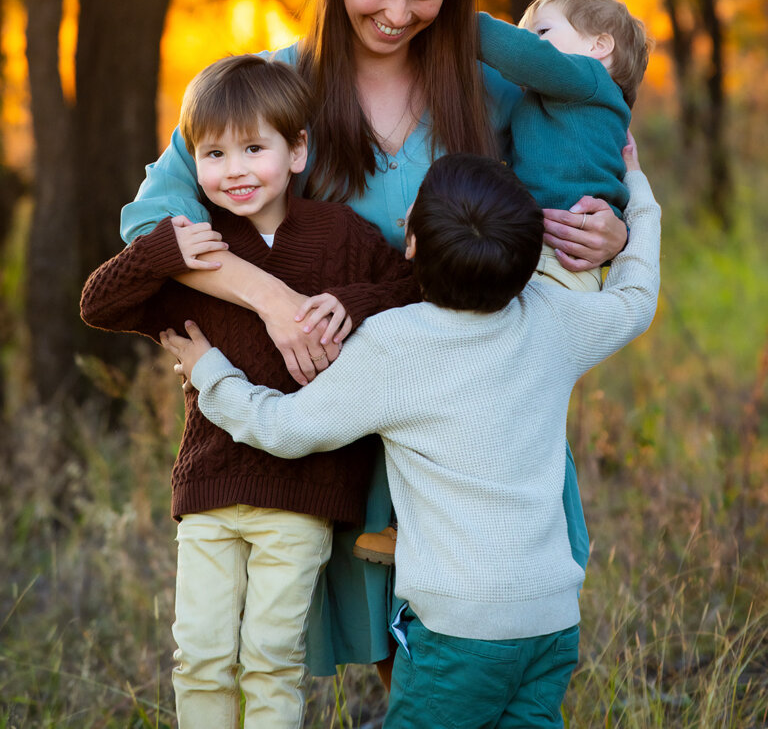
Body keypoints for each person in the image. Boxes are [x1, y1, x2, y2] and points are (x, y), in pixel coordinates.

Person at [119, 0, 629, 679]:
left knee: (491, 652)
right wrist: (272, 298)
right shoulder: (269, 93)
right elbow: (150, 224)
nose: (398, 14)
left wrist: (611, 227)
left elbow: (587, 169)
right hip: (340, 415)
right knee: (390, 659)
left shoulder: (497, 89)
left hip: (479, 427)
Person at [159, 137, 661, 729]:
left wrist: (211, 373)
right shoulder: (554, 319)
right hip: (551, 623)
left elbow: (284, 428)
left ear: (412, 243)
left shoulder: (395, 346)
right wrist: (639, 198)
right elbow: (635, 298)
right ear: (530, 257)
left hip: (459, 632)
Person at [81, 55, 420, 729]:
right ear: (194, 160)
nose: (234, 169)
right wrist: (162, 249)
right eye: (213, 153)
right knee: (201, 656)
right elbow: (99, 303)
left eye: (253, 148)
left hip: (303, 494)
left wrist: (350, 304)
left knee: (270, 658)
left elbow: (409, 290)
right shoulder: (202, 252)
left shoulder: (338, 236)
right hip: (209, 488)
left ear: (296, 151)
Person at [477, 0, 651, 292]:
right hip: (546, 253)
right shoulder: (567, 108)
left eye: (541, 31)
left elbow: (528, 56)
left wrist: (467, 26)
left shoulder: (591, 77)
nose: (532, 40)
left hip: (559, 261)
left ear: (599, 46)